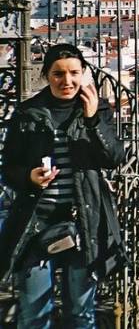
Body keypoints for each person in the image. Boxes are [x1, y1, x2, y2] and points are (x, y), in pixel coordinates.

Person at [0, 44, 125, 328]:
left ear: (83, 74)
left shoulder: (95, 110)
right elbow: (8, 168)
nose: (66, 81)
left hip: (84, 222)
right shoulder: (28, 113)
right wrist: (29, 178)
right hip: (36, 223)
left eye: (73, 73)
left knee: (81, 314)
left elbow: (114, 158)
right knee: (33, 314)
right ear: (46, 75)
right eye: (58, 74)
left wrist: (93, 120)